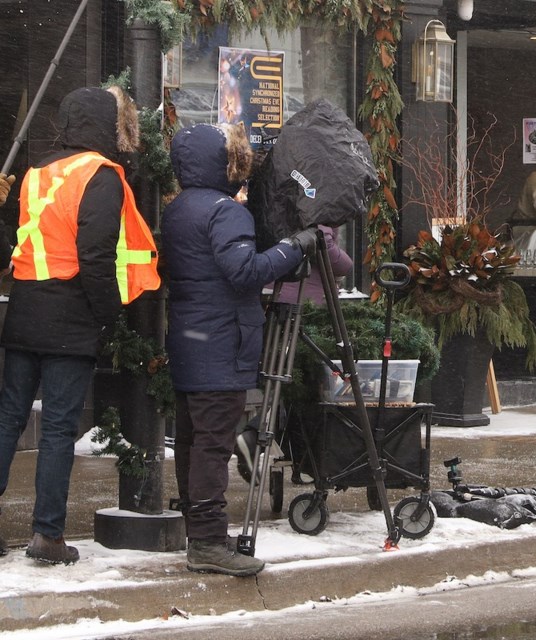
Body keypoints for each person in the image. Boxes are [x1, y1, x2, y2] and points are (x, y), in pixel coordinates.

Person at [0, 86, 159, 564]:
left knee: (8, 419)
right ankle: (46, 535)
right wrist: (108, 317)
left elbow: (24, 239)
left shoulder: (37, 173)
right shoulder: (100, 175)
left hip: (25, 310)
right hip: (69, 320)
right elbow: (94, 256)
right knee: (57, 431)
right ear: (103, 126)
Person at [163, 122, 317, 577]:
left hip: (190, 340)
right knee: (213, 446)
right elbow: (244, 273)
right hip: (223, 342)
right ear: (222, 162)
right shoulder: (225, 211)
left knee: (192, 443)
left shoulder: (178, 210)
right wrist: (293, 247)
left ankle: (201, 532)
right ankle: (209, 543)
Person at [235, 224, 353, 485]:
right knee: (304, 388)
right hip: (302, 312)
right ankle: (261, 437)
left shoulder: (278, 212)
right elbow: (340, 264)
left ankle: (287, 451)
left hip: (275, 304)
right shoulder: (318, 221)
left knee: (284, 387)